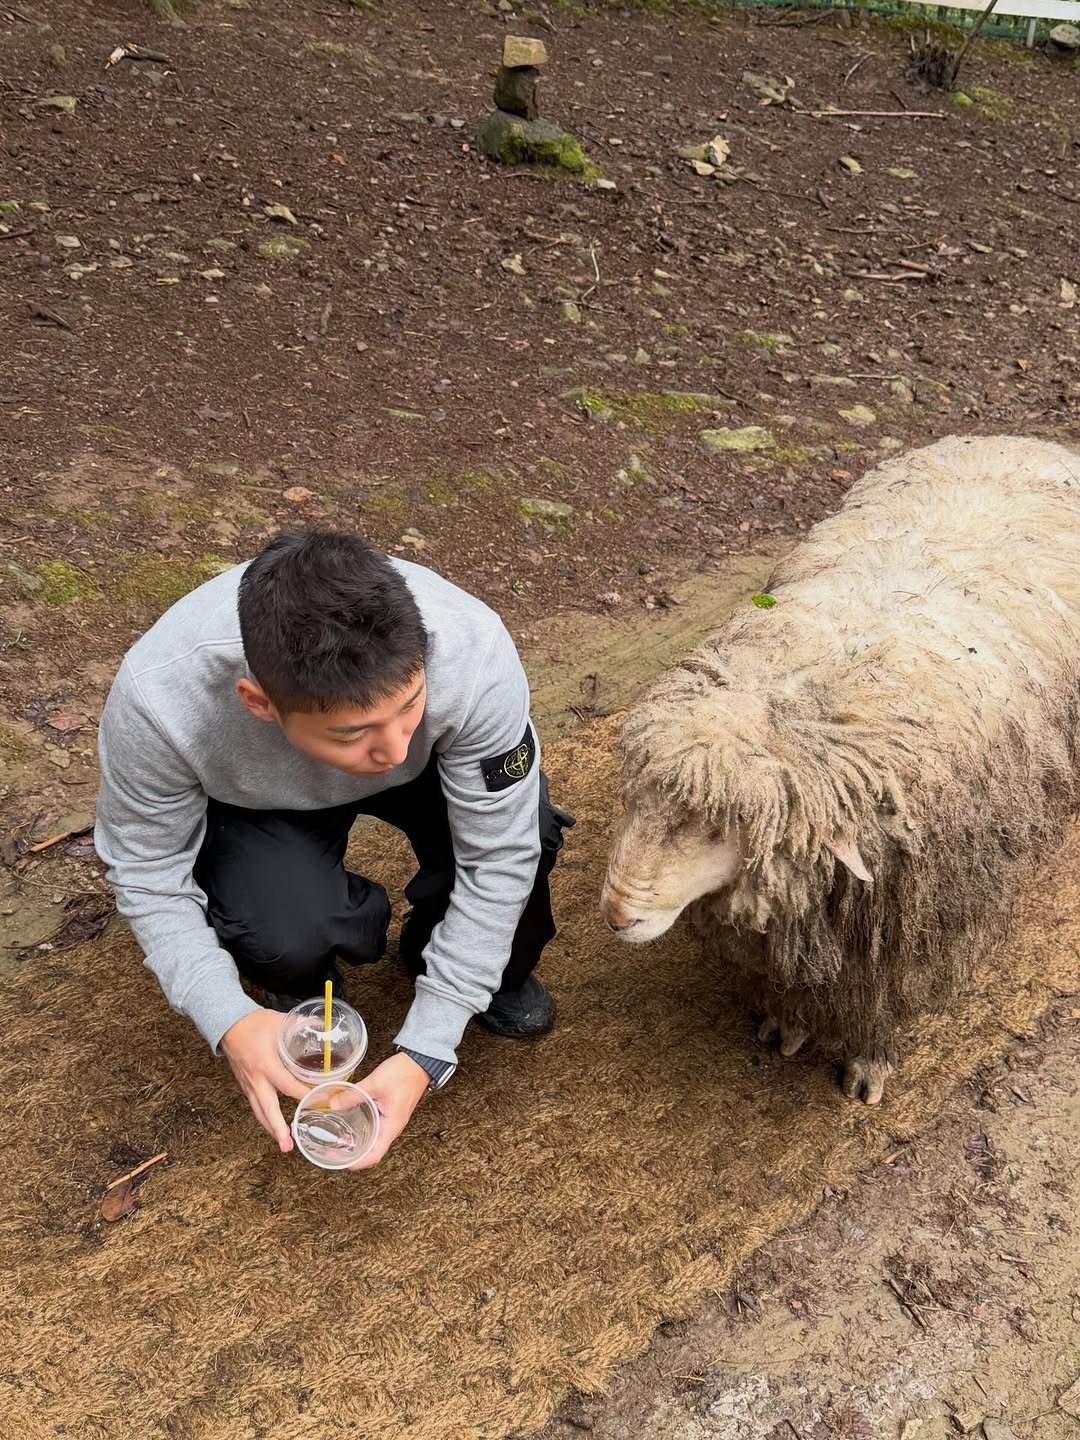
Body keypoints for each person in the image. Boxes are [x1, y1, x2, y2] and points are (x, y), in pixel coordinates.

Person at [94, 529, 574, 1167]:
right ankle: (299, 985)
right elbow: (149, 873)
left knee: (531, 842)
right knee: (281, 931)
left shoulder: (472, 652)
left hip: (446, 766)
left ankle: (463, 963)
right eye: (354, 733)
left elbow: (500, 855)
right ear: (259, 703)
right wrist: (228, 1019)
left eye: (410, 706)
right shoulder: (162, 701)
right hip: (259, 796)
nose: (393, 750)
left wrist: (430, 1044)